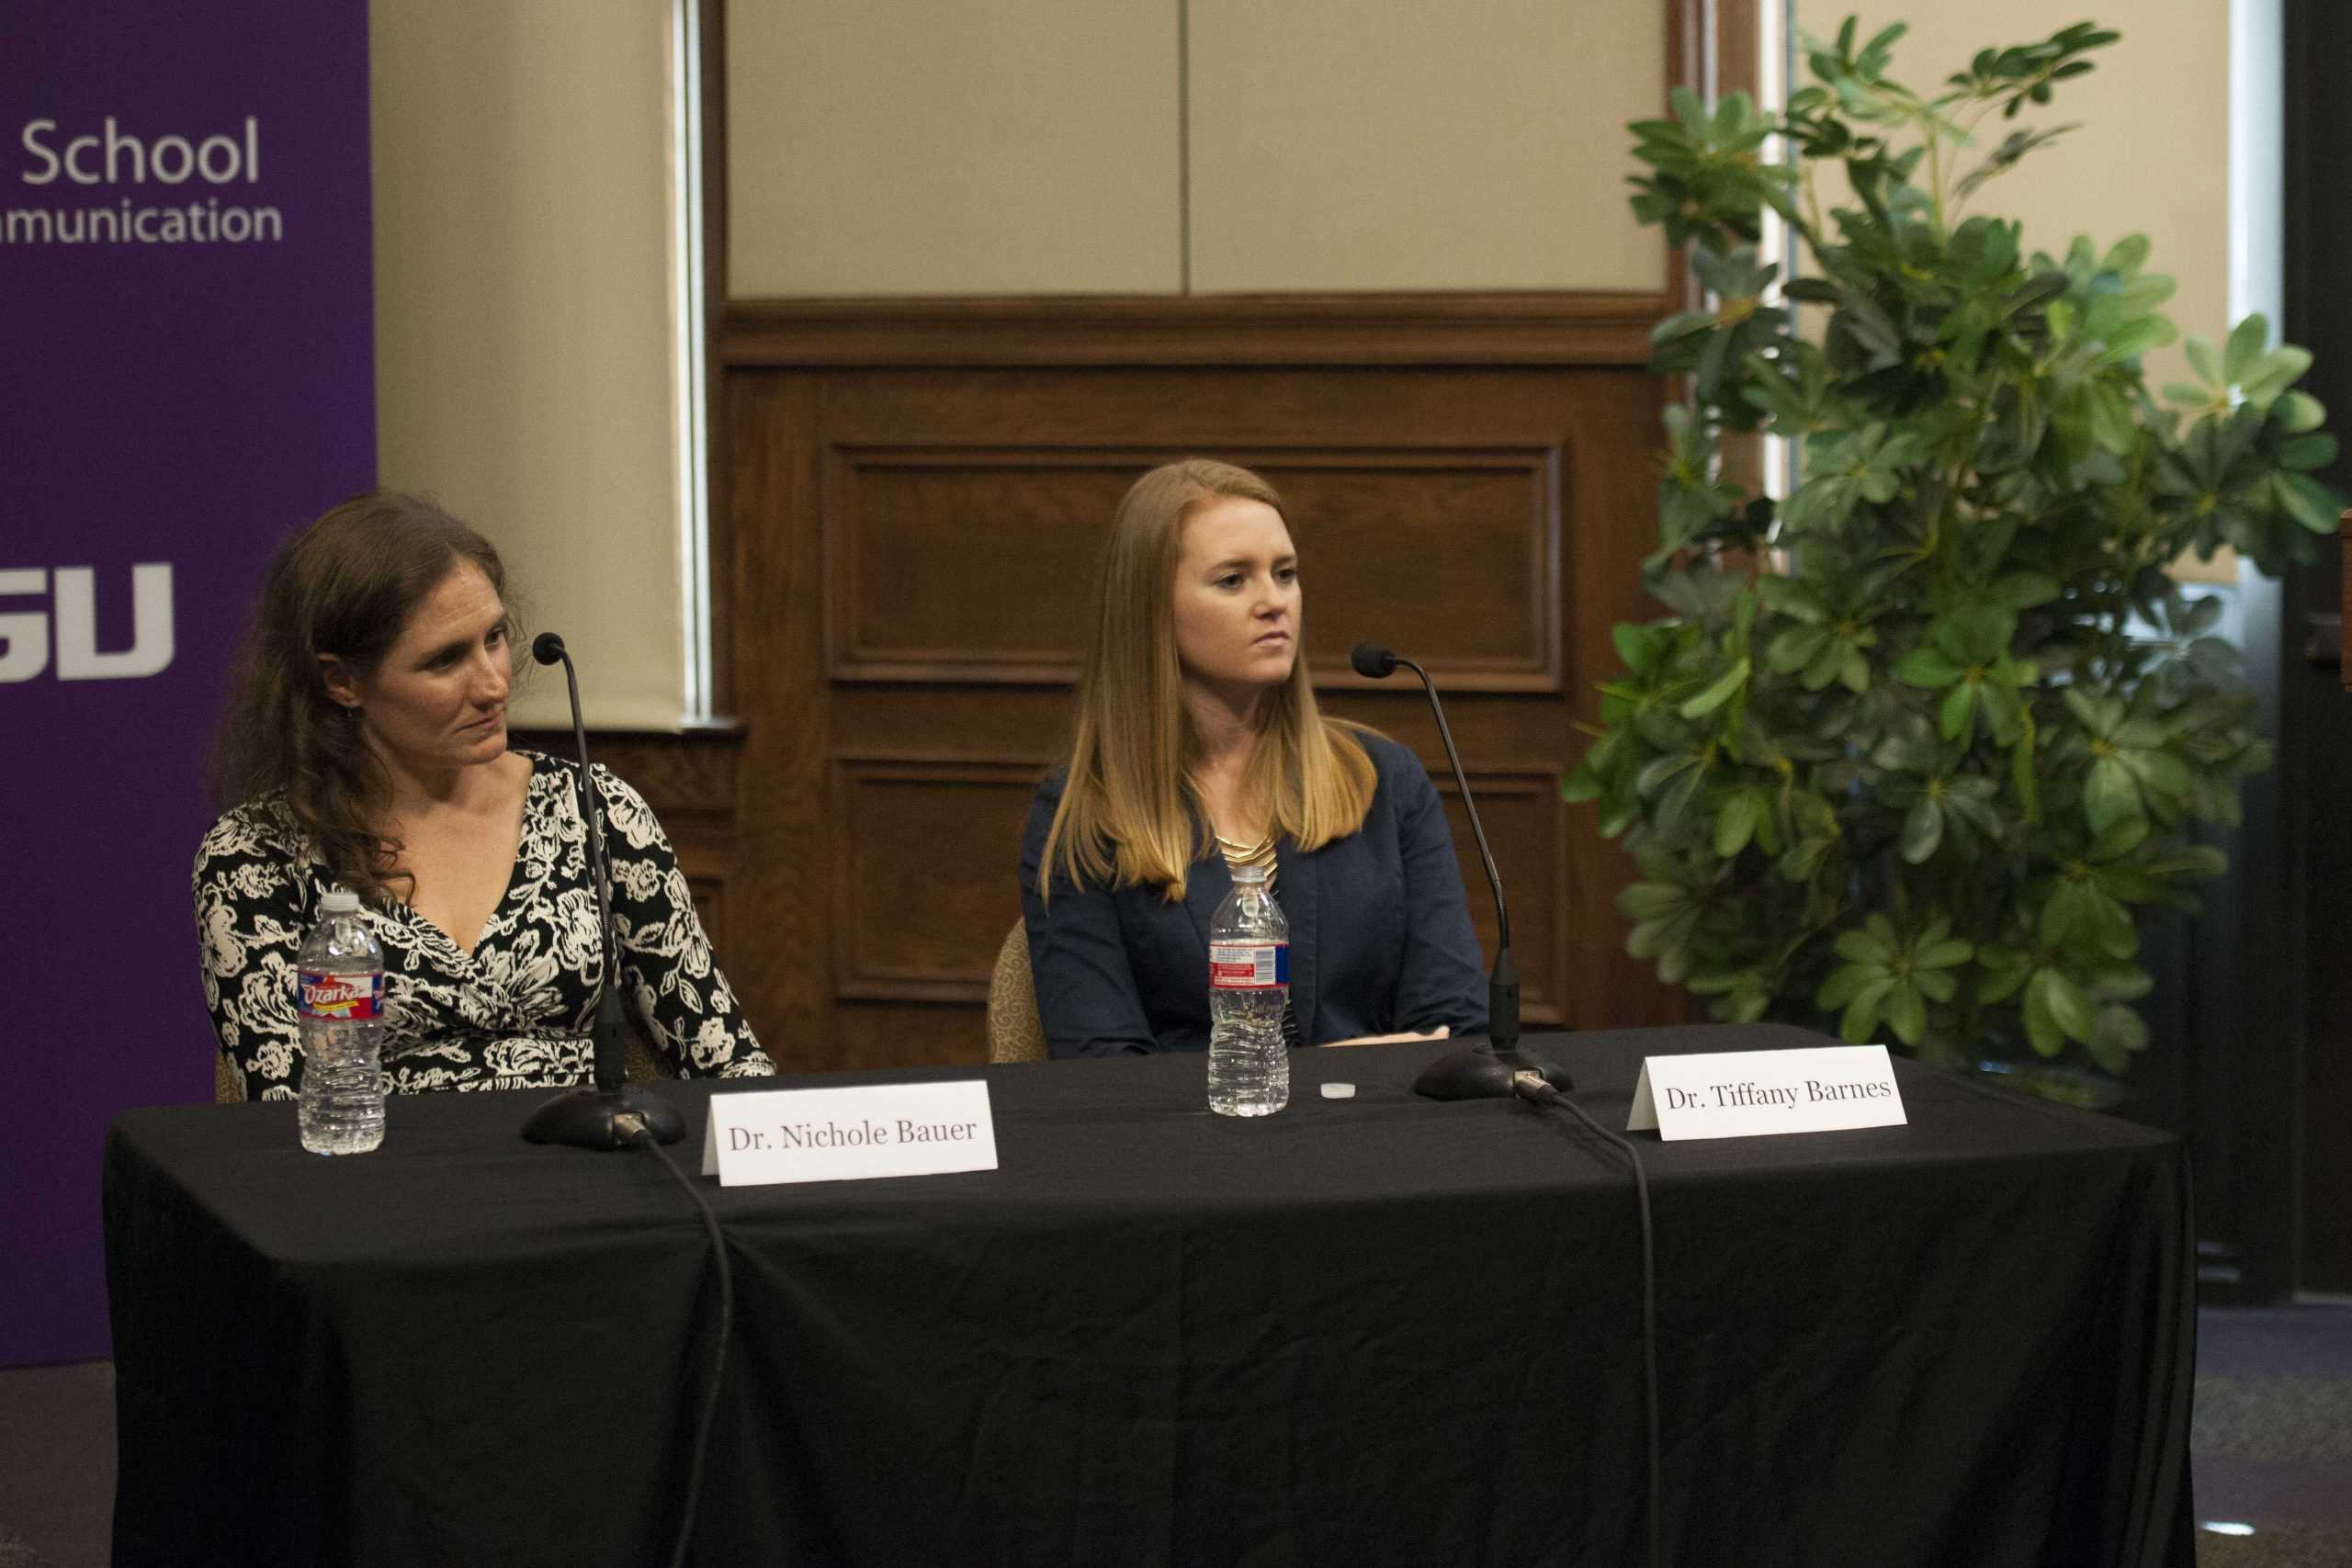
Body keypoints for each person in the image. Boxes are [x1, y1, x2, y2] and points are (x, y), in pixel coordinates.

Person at [195, 491, 775, 1098]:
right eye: (446, 660)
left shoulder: (594, 811)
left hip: (597, 1175)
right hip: (387, 1183)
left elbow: (728, 1062)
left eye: (494, 637)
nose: (495, 683)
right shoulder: (255, 858)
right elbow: (290, 1111)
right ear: (343, 681)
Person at [1020, 458, 1489, 1058]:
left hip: (1382, 1141)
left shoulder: (1383, 781)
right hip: (1196, 1150)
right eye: (1233, 580)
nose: (1275, 602)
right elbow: (1101, 1070)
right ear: (1151, 608)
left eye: (1285, 573)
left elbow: (1456, 1027)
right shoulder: (1086, 813)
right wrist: (1320, 1079)